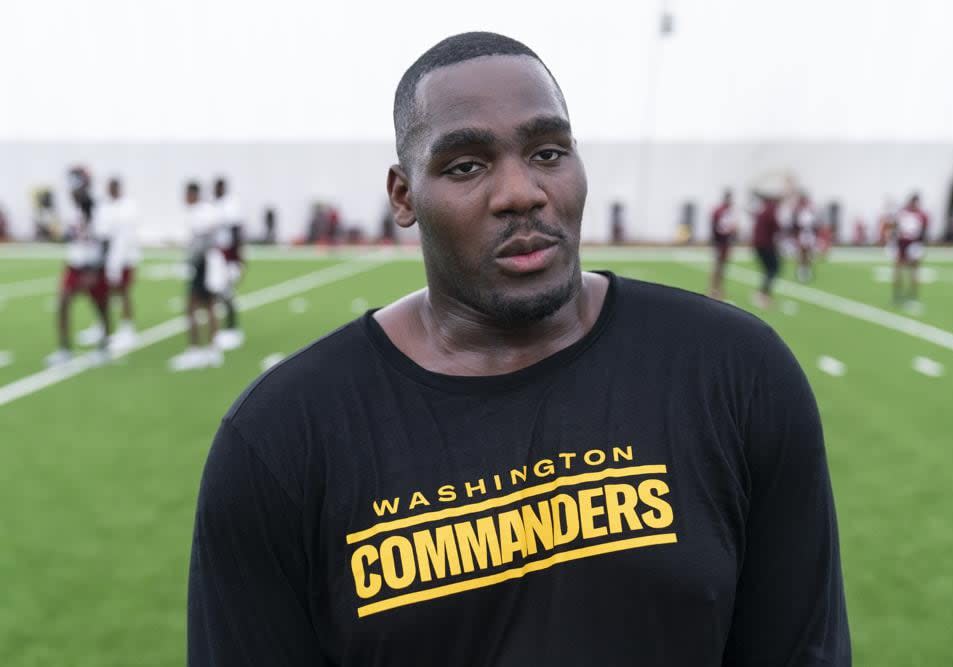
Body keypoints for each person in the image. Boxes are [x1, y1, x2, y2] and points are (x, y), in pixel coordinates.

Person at [188, 32, 850, 666]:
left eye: (548, 153)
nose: (521, 193)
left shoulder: (735, 374)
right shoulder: (282, 440)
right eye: (467, 165)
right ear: (403, 195)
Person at [45, 166, 112, 366]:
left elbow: (105, 241)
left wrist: (95, 269)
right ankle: (64, 349)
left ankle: (104, 346)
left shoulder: (97, 208)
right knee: (63, 302)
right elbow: (68, 236)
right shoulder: (72, 209)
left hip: (93, 265)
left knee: (100, 307)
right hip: (75, 264)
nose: (72, 192)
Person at [77, 177, 141, 350]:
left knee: (123, 292)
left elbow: (124, 235)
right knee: (105, 292)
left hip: (125, 258)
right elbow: (100, 230)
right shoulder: (105, 207)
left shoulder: (128, 207)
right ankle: (102, 325)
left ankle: (128, 328)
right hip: (107, 257)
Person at [169, 182, 224, 371]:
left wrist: (191, 260)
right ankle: (212, 349)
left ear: (192, 194)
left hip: (204, 264)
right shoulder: (205, 211)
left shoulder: (201, 213)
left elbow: (203, 240)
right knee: (209, 306)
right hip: (207, 262)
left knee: (193, 307)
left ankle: (196, 350)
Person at [211, 177, 246, 351]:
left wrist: (237, 259)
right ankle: (227, 327)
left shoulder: (230, 207)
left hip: (228, 255)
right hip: (218, 253)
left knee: (227, 292)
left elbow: (236, 233)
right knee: (218, 292)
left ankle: (232, 328)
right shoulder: (215, 206)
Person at [891, 192, 929, 305]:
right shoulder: (903, 213)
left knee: (914, 270)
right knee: (898, 268)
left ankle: (912, 295)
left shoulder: (921, 215)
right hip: (902, 243)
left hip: (914, 243)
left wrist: (921, 244)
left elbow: (923, 231)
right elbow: (896, 227)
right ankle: (897, 294)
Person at [751, 192, 782, 308]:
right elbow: (776, 226)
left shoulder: (763, 211)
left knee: (769, 269)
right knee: (773, 269)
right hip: (765, 245)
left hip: (760, 244)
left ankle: (763, 293)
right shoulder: (770, 211)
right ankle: (763, 294)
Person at [708, 188, 736, 299]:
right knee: (718, 266)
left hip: (725, 243)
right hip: (720, 242)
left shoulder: (727, 211)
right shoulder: (721, 211)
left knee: (722, 267)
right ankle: (713, 289)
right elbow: (719, 228)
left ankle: (718, 288)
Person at [792, 193, 818, 283]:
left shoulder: (811, 211)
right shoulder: (797, 212)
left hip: (809, 234)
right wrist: (796, 236)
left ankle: (807, 270)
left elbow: (815, 225)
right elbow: (795, 225)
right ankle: (801, 270)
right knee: (802, 252)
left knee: (809, 253)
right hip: (802, 234)